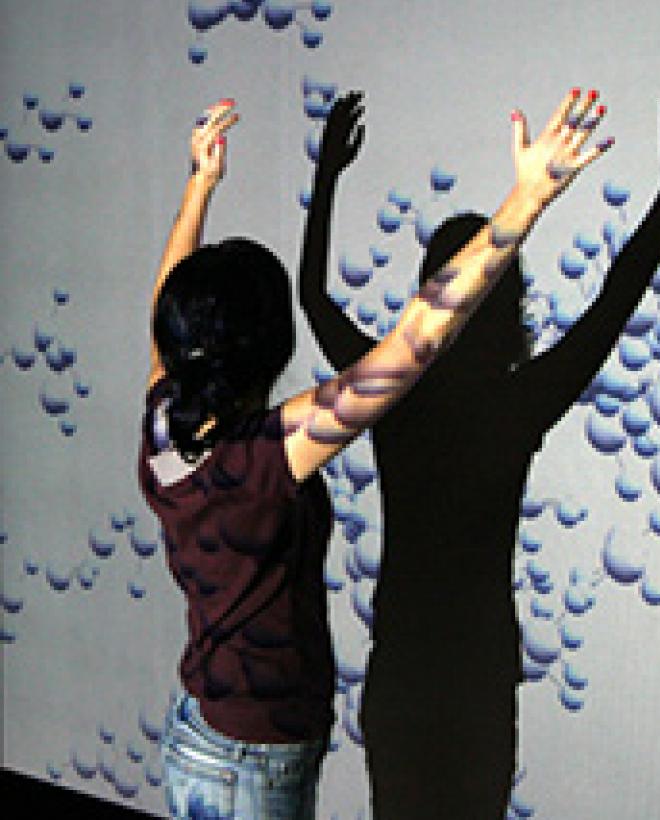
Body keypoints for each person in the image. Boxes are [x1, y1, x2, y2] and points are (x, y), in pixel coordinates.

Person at [139, 88, 609, 819]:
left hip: (198, 733)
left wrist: (199, 185)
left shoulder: (164, 423)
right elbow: (409, 347)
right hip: (251, 760)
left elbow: (168, 316)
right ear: (268, 347)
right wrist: (526, 203)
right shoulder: (266, 459)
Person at [301, 77, 660, 818]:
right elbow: (617, 298)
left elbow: (313, 296)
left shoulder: (390, 393)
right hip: (478, 675)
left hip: (403, 672)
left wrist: (327, 172)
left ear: (426, 296)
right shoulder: (518, 401)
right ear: (512, 302)